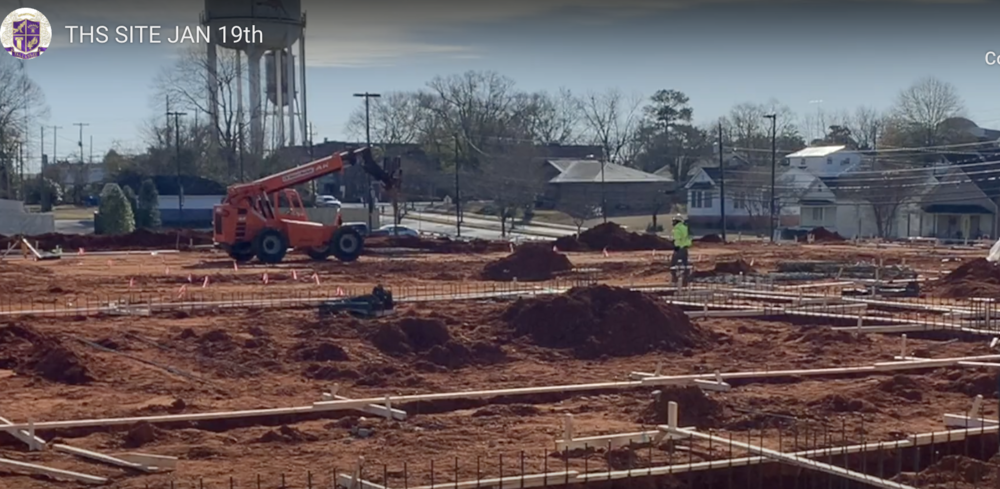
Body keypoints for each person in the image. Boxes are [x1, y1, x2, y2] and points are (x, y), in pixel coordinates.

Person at [671, 214, 692, 283]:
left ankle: (674, 278)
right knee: (685, 263)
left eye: (674, 221)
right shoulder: (685, 228)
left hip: (679, 248)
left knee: (673, 264)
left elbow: (677, 239)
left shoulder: (677, 229)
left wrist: (676, 247)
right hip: (685, 248)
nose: (673, 223)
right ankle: (686, 278)